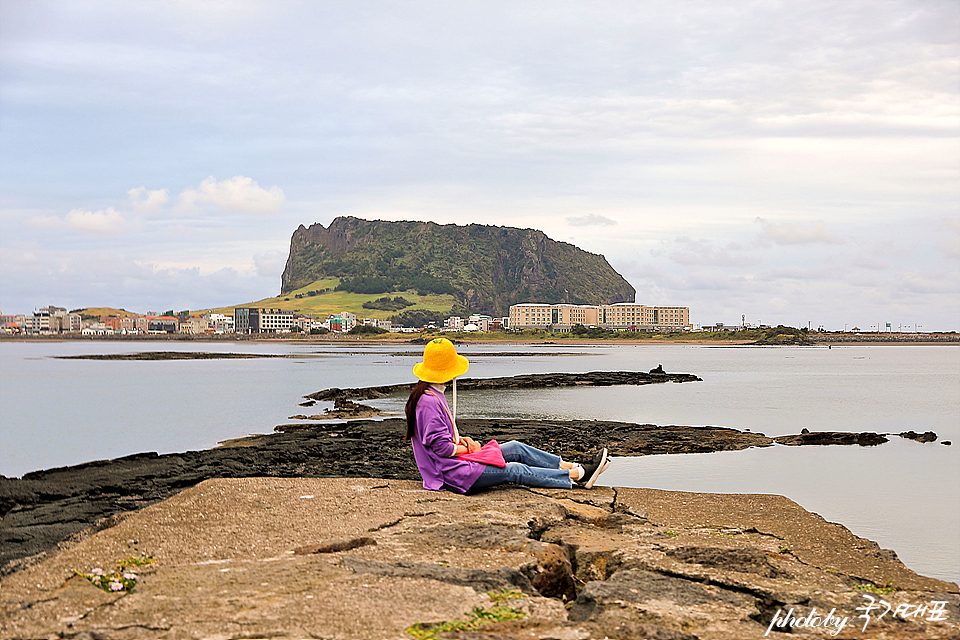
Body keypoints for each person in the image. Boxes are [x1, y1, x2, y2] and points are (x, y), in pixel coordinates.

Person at [404, 337, 609, 494]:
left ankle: (572, 465)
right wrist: (468, 447)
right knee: (515, 469)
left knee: (515, 447)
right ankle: (577, 475)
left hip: (456, 463)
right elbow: (441, 449)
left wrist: (462, 441)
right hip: (452, 474)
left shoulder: (431, 393)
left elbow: (439, 439)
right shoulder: (429, 401)